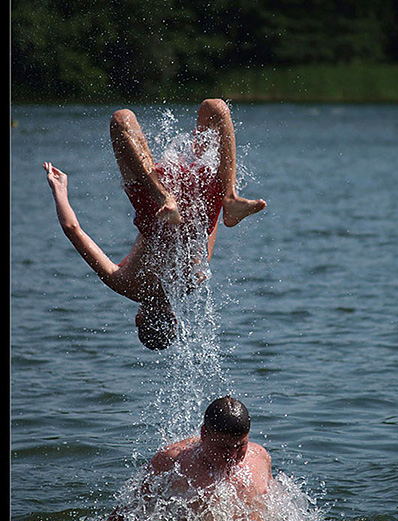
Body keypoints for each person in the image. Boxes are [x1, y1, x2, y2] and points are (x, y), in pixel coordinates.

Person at [44, 99, 266, 350]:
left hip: (197, 215)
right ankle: (165, 196)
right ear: (138, 318)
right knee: (121, 120)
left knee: (216, 110)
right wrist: (60, 190)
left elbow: (206, 229)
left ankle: (229, 197)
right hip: (157, 217)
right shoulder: (124, 284)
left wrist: (211, 196)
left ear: (173, 318)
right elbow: (72, 229)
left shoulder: (197, 279)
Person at [107, 396, 273, 521]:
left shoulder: (260, 458)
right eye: (223, 447)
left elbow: (276, 510)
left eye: (240, 446)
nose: (232, 456)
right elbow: (128, 512)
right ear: (203, 434)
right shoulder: (172, 462)